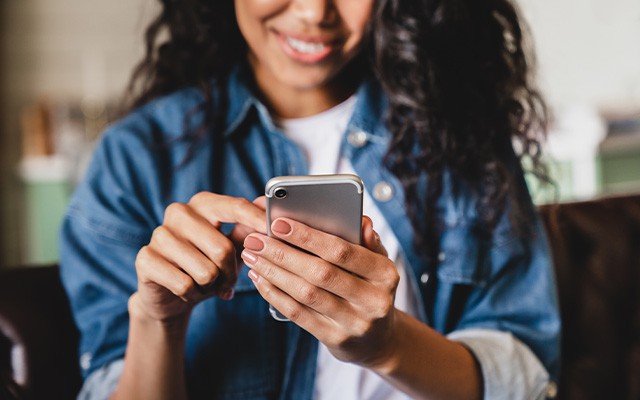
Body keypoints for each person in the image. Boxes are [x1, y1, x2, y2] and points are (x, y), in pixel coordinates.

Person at [59, 0, 560, 399]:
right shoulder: (137, 158)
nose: (315, 11)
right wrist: (157, 320)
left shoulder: (459, 133)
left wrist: (386, 346)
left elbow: (524, 379)